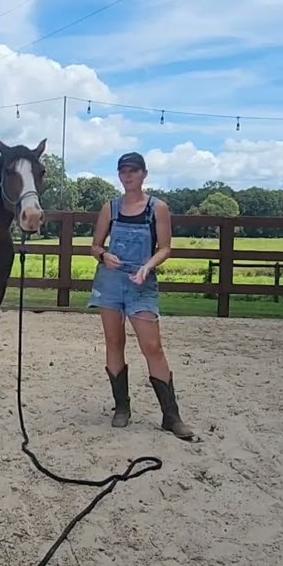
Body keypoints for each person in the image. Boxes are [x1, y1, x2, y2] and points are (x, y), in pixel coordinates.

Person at [87, 151, 197, 441]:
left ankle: (171, 415)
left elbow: (165, 247)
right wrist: (104, 255)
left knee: (153, 346)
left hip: (141, 282)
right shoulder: (110, 208)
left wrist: (148, 266)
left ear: (144, 174)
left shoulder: (157, 208)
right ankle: (121, 406)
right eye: (123, 171)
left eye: (133, 171)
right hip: (110, 282)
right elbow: (95, 246)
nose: (128, 176)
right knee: (114, 341)